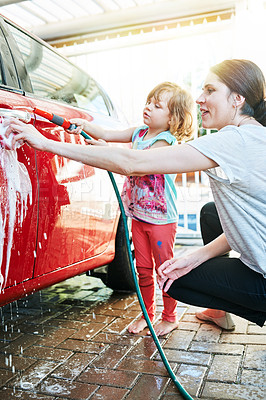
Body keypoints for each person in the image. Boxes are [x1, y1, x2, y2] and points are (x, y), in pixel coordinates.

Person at [7, 59, 266, 329]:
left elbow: (133, 163)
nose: (200, 99)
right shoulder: (253, 136)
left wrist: (45, 142)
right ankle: (220, 309)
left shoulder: (235, 140)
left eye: (210, 90)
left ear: (237, 98)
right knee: (210, 213)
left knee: (172, 280)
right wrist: (195, 256)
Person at [64, 82, 194, 336]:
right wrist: (88, 127)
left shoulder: (165, 141)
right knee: (142, 269)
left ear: (172, 119)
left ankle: (170, 316)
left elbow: (138, 163)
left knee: (163, 269)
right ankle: (148, 314)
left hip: (161, 220)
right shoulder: (138, 133)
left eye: (158, 106)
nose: (149, 107)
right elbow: (108, 134)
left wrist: (106, 151)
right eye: (149, 101)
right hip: (138, 215)